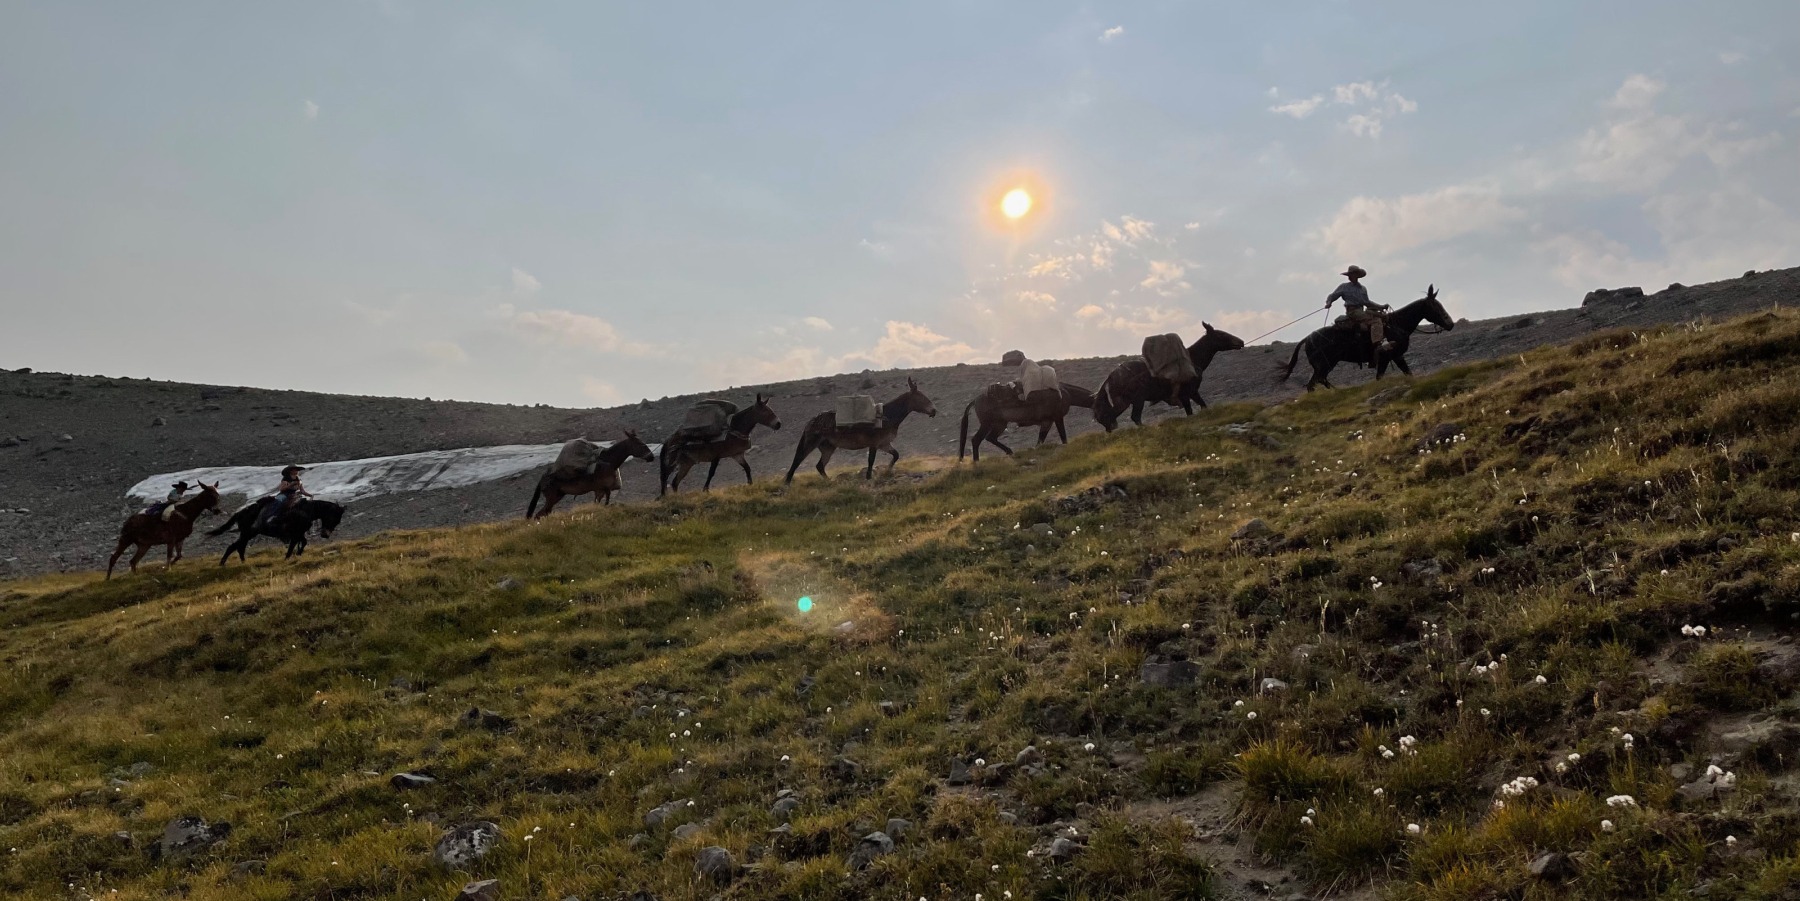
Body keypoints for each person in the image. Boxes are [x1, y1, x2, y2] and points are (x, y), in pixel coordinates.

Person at [1326, 265, 1393, 353]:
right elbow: (1333, 295)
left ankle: (1380, 341)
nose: (1350, 277)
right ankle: (1378, 344)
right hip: (1352, 311)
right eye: (1349, 275)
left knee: (1383, 317)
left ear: (1357, 275)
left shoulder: (1363, 289)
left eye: (1352, 274)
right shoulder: (1344, 286)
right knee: (1375, 320)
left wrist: (1381, 307)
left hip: (1361, 310)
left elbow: (1367, 302)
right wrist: (1329, 302)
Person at [260, 465, 310, 529]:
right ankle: (271, 516)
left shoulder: (299, 479)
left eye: (297, 469)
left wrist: (310, 495)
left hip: (294, 494)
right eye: (294, 469)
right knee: (278, 502)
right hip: (284, 494)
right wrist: (290, 485)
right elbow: (281, 489)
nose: (296, 471)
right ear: (290, 471)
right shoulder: (286, 479)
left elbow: (302, 491)